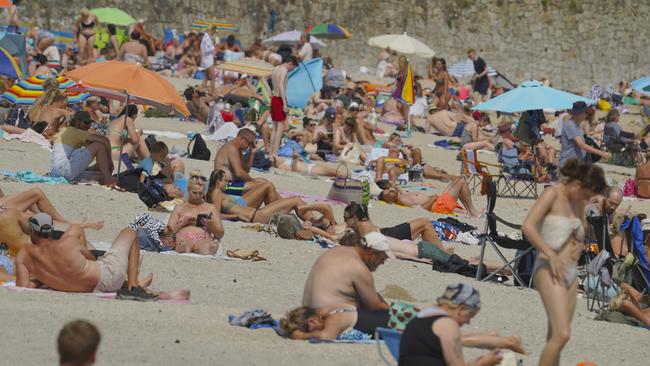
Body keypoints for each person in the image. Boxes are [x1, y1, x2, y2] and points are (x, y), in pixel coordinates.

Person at [521, 159, 607, 366]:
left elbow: (580, 228)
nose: (587, 200)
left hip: (571, 273)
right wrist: (550, 253)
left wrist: (579, 243)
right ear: (578, 185)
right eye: (587, 195)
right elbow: (528, 226)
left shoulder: (578, 201)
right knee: (562, 334)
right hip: (549, 268)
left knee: (556, 338)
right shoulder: (552, 194)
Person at [15, 212, 189, 301]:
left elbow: (22, 286)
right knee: (130, 232)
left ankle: (142, 287)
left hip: (88, 288)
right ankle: (134, 286)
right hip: (105, 277)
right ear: (50, 230)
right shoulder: (68, 243)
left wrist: (43, 278)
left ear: (32, 232)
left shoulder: (24, 254)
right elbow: (90, 258)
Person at [301, 230, 392, 336]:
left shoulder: (335, 252)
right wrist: (395, 312)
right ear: (371, 254)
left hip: (307, 314)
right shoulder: (359, 267)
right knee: (395, 320)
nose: (383, 262)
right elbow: (375, 306)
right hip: (330, 318)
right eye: (383, 257)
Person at [399, 283, 504, 366]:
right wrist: (486, 362)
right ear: (461, 309)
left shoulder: (423, 316)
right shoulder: (447, 324)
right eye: (469, 316)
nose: (468, 322)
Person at [208, 169, 321, 224]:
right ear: (218, 182)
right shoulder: (216, 193)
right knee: (296, 200)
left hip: (257, 214)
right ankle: (316, 223)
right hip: (257, 216)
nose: (227, 184)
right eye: (225, 181)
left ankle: (315, 222)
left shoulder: (218, 193)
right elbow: (216, 215)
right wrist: (236, 216)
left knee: (294, 200)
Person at [50, 111, 115, 185]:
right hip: (64, 169)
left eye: (89, 123)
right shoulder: (78, 132)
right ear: (77, 122)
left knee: (98, 174)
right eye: (86, 123)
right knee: (99, 146)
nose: (88, 126)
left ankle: (105, 175)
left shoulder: (65, 130)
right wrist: (110, 161)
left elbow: (52, 141)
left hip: (55, 172)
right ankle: (108, 179)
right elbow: (105, 140)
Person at [167, 174, 222, 255]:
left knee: (205, 246)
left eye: (200, 193)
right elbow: (167, 233)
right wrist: (182, 224)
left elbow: (220, 233)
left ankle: (208, 248)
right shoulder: (180, 208)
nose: (197, 196)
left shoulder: (211, 208)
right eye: (194, 193)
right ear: (188, 190)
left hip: (203, 238)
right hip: (184, 236)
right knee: (183, 242)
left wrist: (210, 225)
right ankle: (183, 246)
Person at [213, 128, 276, 197]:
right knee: (266, 186)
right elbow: (239, 173)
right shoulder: (232, 148)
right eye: (249, 143)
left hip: (234, 183)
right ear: (242, 139)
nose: (249, 146)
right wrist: (253, 181)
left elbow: (245, 171)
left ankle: (278, 204)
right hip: (226, 185)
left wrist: (252, 154)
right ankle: (279, 204)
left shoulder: (238, 150)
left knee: (264, 181)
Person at [379, 178, 482, 218]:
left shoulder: (401, 194)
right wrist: (432, 199)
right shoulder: (401, 200)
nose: (391, 191)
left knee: (458, 181)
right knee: (461, 182)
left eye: (389, 190)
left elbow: (398, 190)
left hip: (438, 202)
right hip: (437, 205)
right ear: (390, 200)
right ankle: (473, 212)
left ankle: (470, 211)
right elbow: (422, 208)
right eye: (389, 194)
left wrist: (395, 187)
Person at [558, 101, 610, 167]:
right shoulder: (570, 125)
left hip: (576, 164)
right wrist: (602, 153)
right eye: (586, 112)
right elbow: (581, 145)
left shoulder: (576, 126)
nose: (586, 115)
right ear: (580, 113)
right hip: (567, 166)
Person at [269, 55, 298, 157]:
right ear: (290, 63)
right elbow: (281, 85)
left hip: (273, 98)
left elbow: (263, 78)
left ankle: (270, 153)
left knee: (274, 128)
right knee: (280, 128)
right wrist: (285, 103)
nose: (291, 70)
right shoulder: (284, 70)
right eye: (292, 68)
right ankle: (274, 154)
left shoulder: (275, 69)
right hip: (280, 99)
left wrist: (270, 92)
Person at [200, 26, 217, 92]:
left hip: (208, 59)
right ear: (211, 30)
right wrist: (214, 47)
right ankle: (213, 91)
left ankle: (202, 89)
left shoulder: (208, 38)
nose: (214, 33)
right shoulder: (206, 38)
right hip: (207, 60)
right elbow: (206, 50)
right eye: (214, 31)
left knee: (206, 76)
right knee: (213, 75)